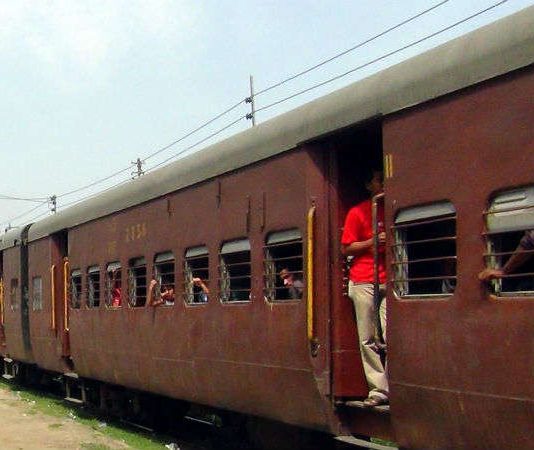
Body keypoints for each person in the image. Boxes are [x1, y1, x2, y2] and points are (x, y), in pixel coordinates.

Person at [341, 170, 389, 407]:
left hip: (389, 279)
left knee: (390, 334)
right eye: (379, 179)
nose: (384, 183)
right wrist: (373, 241)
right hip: (363, 279)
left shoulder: (391, 208)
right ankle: (379, 389)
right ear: (369, 185)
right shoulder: (358, 212)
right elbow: (346, 248)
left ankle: (393, 385)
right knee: (367, 337)